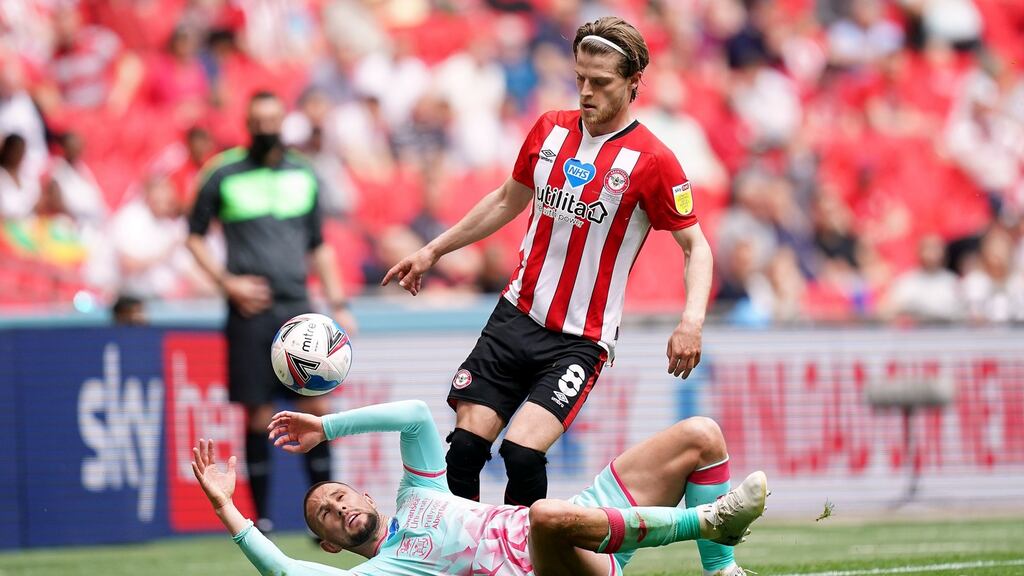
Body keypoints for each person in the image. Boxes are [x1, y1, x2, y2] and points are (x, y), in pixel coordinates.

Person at [382, 14, 714, 515]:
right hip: (515, 316)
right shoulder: (549, 130)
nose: (586, 92)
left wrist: (691, 322)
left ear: (633, 83)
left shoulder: (654, 161)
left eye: (600, 83)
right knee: (466, 450)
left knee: (520, 451)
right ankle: (463, 559)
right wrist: (434, 250)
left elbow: (697, 247)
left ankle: (523, 558)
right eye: (579, 78)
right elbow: (505, 201)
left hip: (579, 341)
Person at [191, 400, 768, 576]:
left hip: (584, 522)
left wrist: (327, 426)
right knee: (544, 513)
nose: (336, 505)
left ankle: (720, 569)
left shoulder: (418, 494)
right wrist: (225, 505)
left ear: (367, 495)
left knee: (700, 435)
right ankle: (708, 521)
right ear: (331, 546)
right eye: (324, 515)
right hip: (553, 565)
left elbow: (417, 415)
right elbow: (285, 572)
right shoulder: (378, 572)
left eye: (338, 493)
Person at [186, 90, 358, 532]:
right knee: (259, 413)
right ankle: (261, 517)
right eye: (258, 121)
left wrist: (338, 303)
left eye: (273, 120)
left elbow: (319, 246)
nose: (266, 128)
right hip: (249, 312)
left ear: (283, 123)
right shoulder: (223, 173)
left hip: (298, 310)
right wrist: (228, 283)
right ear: (248, 123)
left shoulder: (304, 173)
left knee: (317, 408)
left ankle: (328, 516)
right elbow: (194, 236)